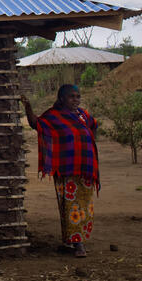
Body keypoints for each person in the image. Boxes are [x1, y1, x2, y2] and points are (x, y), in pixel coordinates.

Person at [21, 84, 99, 258]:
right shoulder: (54, 116)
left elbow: (94, 126)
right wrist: (28, 107)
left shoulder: (83, 115)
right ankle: (78, 245)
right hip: (66, 170)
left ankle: (72, 241)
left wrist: (89, 144)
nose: (76, 100)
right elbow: (36, 124)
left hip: (85, 168)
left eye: (78, 96)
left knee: (85, 206)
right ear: (62, 98)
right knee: (71, 206)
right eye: (72, 97)